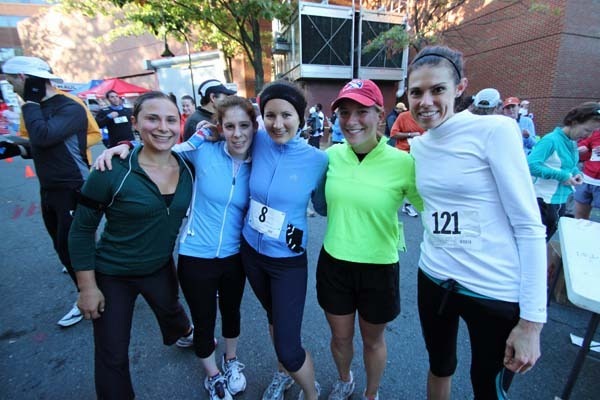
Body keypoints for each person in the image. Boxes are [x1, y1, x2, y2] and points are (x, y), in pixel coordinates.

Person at [407, 46, 547, 399]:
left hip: (491, 289)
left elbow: (529, 226)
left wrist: (532, 322)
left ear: (459, 88)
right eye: (416, 92)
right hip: (434, 277)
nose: (426, 101)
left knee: (487, 386)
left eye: (437, 89)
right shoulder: (419, 147)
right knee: (439, 365)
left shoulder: (495, 130)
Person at [94, 95, 255, 400]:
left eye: (244, 125)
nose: (237, 133)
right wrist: (126, 147)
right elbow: (158, 150)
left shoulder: (259, 159)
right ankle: (213, 375)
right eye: (230, 126)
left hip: (235, 255)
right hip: (197, 255)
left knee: (232, 313)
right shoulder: (202, 150)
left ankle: (231, 360)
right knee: (204, 319)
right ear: (219, 127)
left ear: (253, 127)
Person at [68, 91, 194, 400]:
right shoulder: (111, 170)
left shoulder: (190, 166)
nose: (162, 127)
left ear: (179, 124)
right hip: (113, 274)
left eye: (170, 120)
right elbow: (81, 229)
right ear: (135, 123)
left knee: (171, 310)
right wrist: (87, 287)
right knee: (111, 353)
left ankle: (184, 332)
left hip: (160, 266)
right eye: (152, 119)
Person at [314, 79, 422, 400]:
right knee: (340, 338)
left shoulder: (404, 163)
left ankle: (371, 394)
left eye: (361, 111)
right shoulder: (331, 156)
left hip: (379, 267)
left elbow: (433, 210)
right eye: (344, 113)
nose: (351, 121)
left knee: (373, 341)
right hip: (334, 263)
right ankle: (344, 379)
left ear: (380, 114)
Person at [242, 80, 327, 400]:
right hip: (251, 252)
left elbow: (322, 205)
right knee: (273, 318)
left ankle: (311, 392)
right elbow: (223, 132)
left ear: (301, 118)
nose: (277, 124)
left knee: (290, 348)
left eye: (286, 115)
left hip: (287, 261)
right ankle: (283, 374)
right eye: (270, 115)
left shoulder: (318, 160)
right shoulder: (258, 139)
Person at [1, 56, 91, 327]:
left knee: (71, 247)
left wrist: (29, 102)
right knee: (61, 247)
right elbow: (42, 144)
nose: (12, 88)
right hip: (49, 188)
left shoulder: (69, 106)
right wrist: (18, 147)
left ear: (24, 78)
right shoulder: (37, 108)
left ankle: (90, 296)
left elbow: (44, 135)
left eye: (12, 82)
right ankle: (91, 292)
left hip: (72, 186)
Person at [528, 102, 600, 240]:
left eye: (592, 132)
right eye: (586, 130)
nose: (588, 136)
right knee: (537, 240)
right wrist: (562, 176)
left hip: (559, 200)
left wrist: (576, 173)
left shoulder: (571, 141)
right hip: (542, 200)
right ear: (574, 122)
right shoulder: (550, 140)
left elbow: (568, 165)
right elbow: (530, 165)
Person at [389, 102, 425, 218]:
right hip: (403, 152)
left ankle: (407, 204)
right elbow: (393, 134)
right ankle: (398, 204)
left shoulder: (426, 117)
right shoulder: (403, 116)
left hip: (419, 152)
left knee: (416, 179)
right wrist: (410, 134)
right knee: (402, 179)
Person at [575, 128, 600, 219]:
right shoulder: (596, 132)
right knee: (580, 217)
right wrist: (581, 148)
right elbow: (585, 144)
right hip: (586, 179)